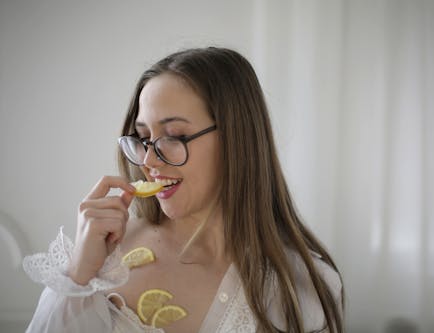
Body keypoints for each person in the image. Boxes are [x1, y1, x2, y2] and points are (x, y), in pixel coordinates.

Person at [23, 47, 344, 333]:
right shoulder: (103, 259)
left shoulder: (302, 286)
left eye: (174, 135)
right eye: (144, 137)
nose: (149, 160)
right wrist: (79, 273)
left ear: (237, 138)